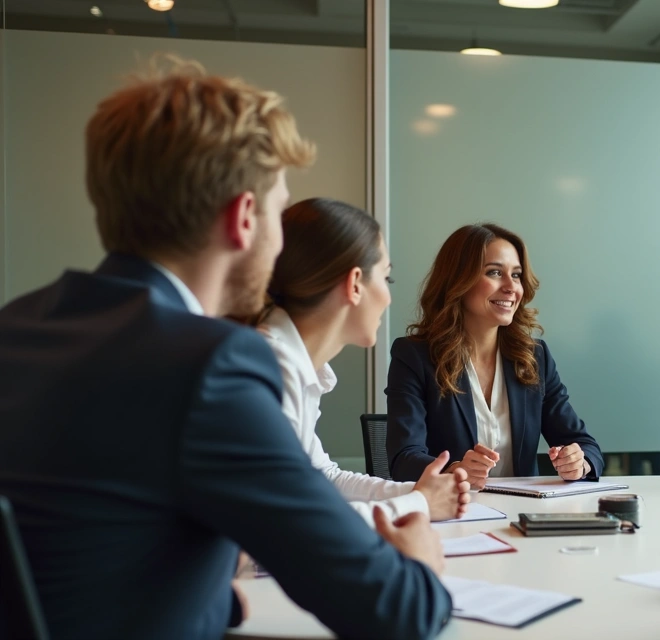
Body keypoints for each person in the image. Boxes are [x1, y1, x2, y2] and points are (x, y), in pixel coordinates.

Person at [0, 59, 452, 640]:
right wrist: (419, 563)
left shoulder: (18, 327)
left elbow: (93, 546)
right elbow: (396, 612)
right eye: (276, 212)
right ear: (243, 219)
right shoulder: (211, 364)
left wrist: (205, 593)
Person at [253, 198, 471, 523]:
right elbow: (292, 519)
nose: (389, 297)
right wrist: (420, 504)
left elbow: (322, 477)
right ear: (355, 284)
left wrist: (417, 493)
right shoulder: (271, 365)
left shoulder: (290, 362)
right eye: (387, 279)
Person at [386, 223, 604, 489]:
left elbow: (586, 445)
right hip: (454, 513)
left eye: (516, 275)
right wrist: (455, 471)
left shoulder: (534, 357)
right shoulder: (414, 357)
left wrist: (578, 462)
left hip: (521, 514)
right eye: (495, 272)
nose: (511, 287)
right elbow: (403, 460)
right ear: (458, 281)